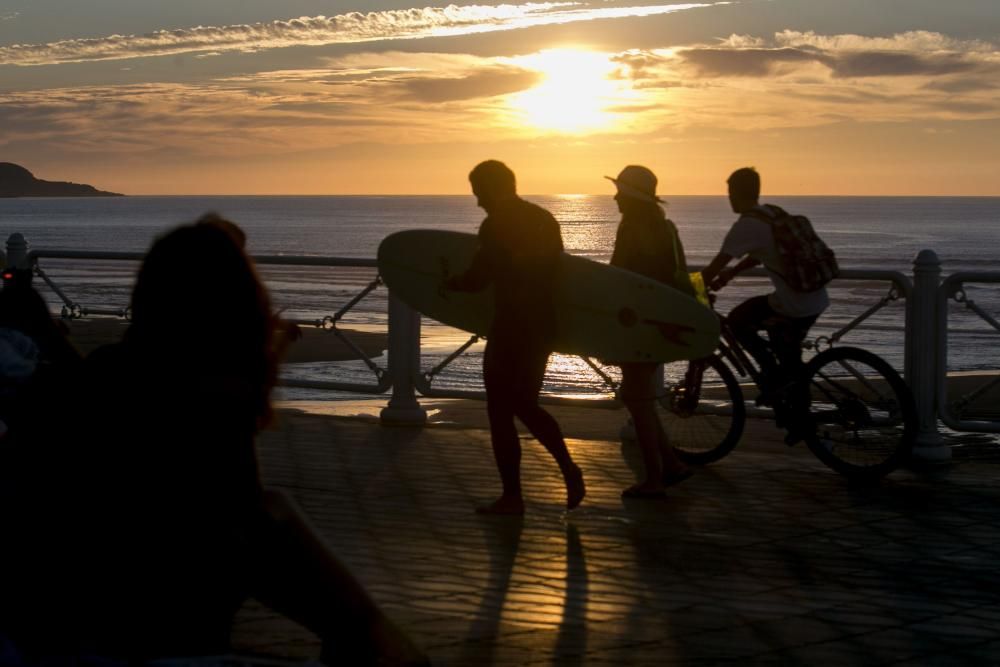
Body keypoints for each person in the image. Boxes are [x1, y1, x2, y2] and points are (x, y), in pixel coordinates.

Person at [0, 216, 428, 665]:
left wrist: (47, 335)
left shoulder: (97, 389)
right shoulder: (215, 424)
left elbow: (96, 397)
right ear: (245, 311)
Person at [445, 160, 585, 515]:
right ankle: (568, 468)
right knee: (526, 403)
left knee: (500, 411)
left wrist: (450, 283)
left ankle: (512, 497)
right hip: (542, 324)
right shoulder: (544, 219)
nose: (478, 202)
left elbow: (479, 278)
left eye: (478, 193)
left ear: (492, 188)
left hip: (511, 325)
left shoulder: (496, 225)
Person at [700, 167, 829, 438]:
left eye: (729, 193)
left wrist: (690, 287)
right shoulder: (772, 213)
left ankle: (771, 378)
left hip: (793, 304)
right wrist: (732, 274)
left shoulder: (747, 225)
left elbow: (712, 268)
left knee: (737, 320)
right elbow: (760, 254)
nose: (728, 199)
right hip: (816, 298)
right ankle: (797, 418)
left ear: (735, 193)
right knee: (791, 360)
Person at [605, 165, 695, 498]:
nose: (615, 196)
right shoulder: (665, 227)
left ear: (630, 196)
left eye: (620, 191)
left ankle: (655, 479)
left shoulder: (632, 227)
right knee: (638, 397)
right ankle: (671, 465)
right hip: (665, 319)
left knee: (638, 401)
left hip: (640, 322)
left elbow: (619, 275)